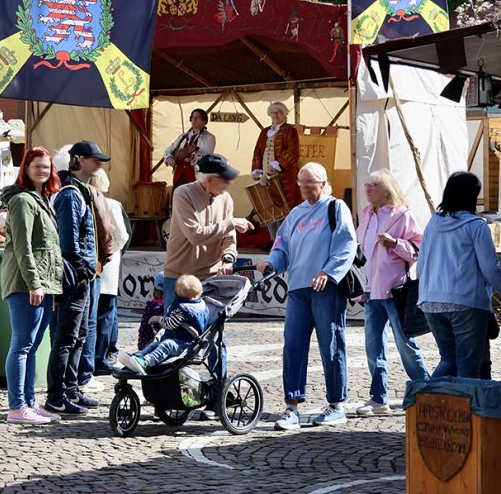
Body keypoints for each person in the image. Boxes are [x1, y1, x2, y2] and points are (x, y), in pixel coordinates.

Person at [258, 162, 357, 430]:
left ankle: (336, 405)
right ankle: (291, 407)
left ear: (323, 183)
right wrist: (272, 263)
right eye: (301, 184)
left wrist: (328, 272)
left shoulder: (336, 207)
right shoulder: (295, 214)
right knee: (293, 345)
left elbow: (347, 245)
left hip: (326, 289)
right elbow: (282, 246)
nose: (304, 188)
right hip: (298, 289)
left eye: (310, 184)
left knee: (331, 344)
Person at [164, 153, 252, 414]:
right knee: (175, 335)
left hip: (210, 278)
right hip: (180, 277)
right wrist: (230, 223)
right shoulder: (183, 194)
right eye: (224, 179)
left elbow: (229, 237)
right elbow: (195, 235)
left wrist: (228, 256)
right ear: (208, 179)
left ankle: (217, 396)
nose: (229, 184)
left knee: (214, 339)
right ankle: (172, 396)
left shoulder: (225, 198)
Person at [417, 171, 501, 379]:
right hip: (466, 304)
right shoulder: (476, 226)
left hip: (431, 302)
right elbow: (491, 269)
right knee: (467, 368)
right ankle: (426, 394)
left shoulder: (433, 223)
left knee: (448, 360)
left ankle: (424, 395)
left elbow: (421, 265)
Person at [46, 140, 113, 417]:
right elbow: (69, 240)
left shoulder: (78, 191)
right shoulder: (71, 194)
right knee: (66, 338)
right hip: (75, 277)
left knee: (78, 336)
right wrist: (82, 269)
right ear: (79, 160)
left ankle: (70, 390)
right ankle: (57, 396)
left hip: (81, 275)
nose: (98, 164)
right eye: (94, 159)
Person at [355, 170, 429, 415]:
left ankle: (425, 389)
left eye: (374, 185)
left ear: (386, 189)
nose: (368, 189)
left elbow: (419, 249)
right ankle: (378, 398)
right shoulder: (366, 214)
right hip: (371, 289)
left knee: (405, 343)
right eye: (367, 185)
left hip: (395, 289)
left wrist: (395, 243)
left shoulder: (402, 215)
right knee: (373, 345)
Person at [0, 147, 64, 424]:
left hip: (43, 283)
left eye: (46, 166)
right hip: (26, 283)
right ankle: (16, 407)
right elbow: (23, 247)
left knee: (32, 346)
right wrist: (34, 284)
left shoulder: (42, 200)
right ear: (25, 169)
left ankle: (29, 403)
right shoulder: (22, 201)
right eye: (37, 166)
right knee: (22, 344)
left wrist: (50, 287)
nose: (42, 171)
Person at [83, 167, 131, 381]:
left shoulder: (83, 200)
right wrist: (110, 252)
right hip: (107, 264)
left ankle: (95, 356)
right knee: (105, 314)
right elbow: (122, 235)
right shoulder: (112, 204)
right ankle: (100, 358)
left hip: (92, 264)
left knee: (94, 314)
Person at [119, 275, 209, 375]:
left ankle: (146, 362)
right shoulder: (201, 305)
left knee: (167, 345)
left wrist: (158, 319)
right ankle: (138, 356)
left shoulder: (182, 310)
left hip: (186, 345)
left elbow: (170, 324)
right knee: (155, 344)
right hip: (184, 341)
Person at [251, 101, 301, 210]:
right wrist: (256, 169)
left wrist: (277, 164)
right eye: (273, 112)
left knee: (285, 204)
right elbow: (257, 152)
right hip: (265, 173)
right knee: (268, 204)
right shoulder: (264, 132)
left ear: (284, 115)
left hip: (283, 174)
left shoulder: (290, 131)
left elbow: (293, 151)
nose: (275, 115)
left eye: (278, 112)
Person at [164, 108, 216, 187]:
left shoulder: (209, 137)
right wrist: (168, 157)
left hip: (196, 177)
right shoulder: (183, 136)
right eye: (193, 117)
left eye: (198, 117)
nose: (194, 119)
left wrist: (194, 157)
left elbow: (206, 158)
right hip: (179, 176)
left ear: (204, 121)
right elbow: (169, 150)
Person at [138, 272, 166, 350]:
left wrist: (142, 348)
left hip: (153, 346)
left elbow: (144, 330)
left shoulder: (151, 307)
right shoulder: (174, 307)